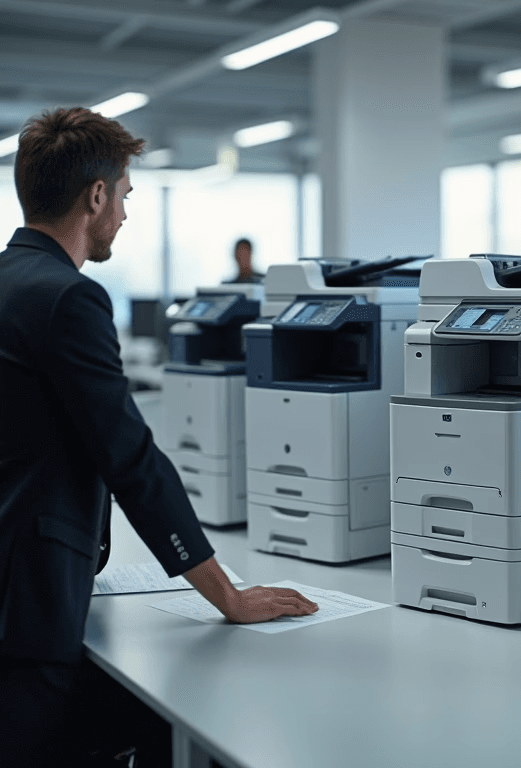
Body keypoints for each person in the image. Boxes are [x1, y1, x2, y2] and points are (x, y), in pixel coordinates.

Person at [0, 107, 318, 767]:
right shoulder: (69, 299)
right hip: (29, 604)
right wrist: (224, 592)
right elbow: (131, 459)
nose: (124, 212)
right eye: (125, 194)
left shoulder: (8, 281)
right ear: (96, 196)